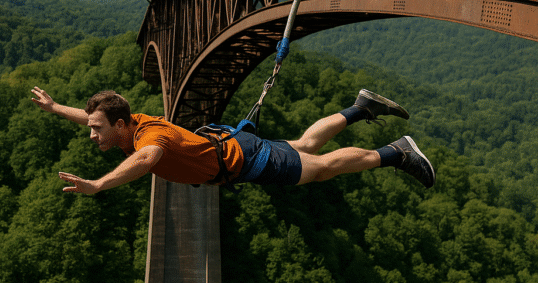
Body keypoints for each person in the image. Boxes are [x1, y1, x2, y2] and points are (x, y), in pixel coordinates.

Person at [30, 86, 435, 195]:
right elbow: (89, 114)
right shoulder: (127, 120)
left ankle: (396, 153)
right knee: (307, 146)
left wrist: (100, 184)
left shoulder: (149, 136)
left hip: (247, 162)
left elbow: (148, 159)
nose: (91, 132)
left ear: (119, 126)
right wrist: (55, 108)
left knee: (323, 169)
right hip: (238, 148)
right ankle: (361, 108)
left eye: (97, 128)